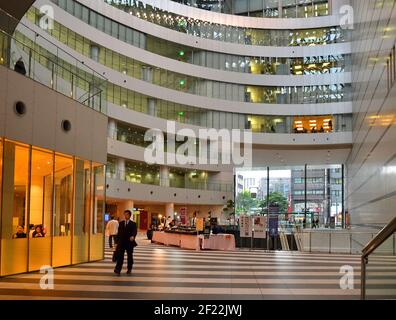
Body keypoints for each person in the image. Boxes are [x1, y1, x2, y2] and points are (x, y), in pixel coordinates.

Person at [114, 210, 137, 276]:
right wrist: (116, 242)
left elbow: (134, 231)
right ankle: (118, 269)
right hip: (121, 243)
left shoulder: (133, 224)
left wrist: (133, 236)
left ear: (129, 215)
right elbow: (119, 233)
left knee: (130, 256)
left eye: (127, 214)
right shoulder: (121, 223)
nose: (125, 216)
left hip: (129, 243)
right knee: (120, 256)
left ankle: (129, 268)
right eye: (125, 214)